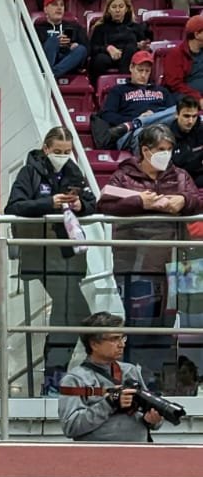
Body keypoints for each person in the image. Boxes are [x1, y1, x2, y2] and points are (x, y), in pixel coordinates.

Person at [97, 123, 202, 384]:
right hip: (134, 263)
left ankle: (156, 378)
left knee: (166, 324)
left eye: (169, 149)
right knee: (138, 322)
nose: (166, 154)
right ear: (145, 150)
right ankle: (133, 377)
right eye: (161, 149)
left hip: (174, 263)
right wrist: (139, 201)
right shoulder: (124, 175)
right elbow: (105, 203)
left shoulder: (180, 176)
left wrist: (183, 201)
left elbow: (197, 199)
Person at [5, 126, 98, 393]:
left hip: (70, 255)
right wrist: (49, 203)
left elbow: (92, 202)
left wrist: (80, 206)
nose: (62, 156)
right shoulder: (29, 172)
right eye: (58, 151)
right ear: (46, 149)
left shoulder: (74, 171)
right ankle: (73, 371)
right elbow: (14, 207)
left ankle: (56, 378)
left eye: (67, 151)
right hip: (42, 254)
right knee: (78, 312)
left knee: (66, 313)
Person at [58, 315, 164, 442]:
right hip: (99, 452)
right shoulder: (75, 379)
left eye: (123, 338)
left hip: (139, 450)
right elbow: (70, 426)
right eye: (114, 339)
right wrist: (109, 402)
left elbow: (149, 417)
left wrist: (153, 420)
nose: (122, 344)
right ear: (94, 344)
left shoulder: (130, 371)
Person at [95, 51, 178, 151]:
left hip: (160, 129)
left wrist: (153, 116)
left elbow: (173, 112)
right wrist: (135, 118)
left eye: (147, 71)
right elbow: (107, 115)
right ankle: (137, 123)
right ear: (131, 68)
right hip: (132, 132)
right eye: (140, 70)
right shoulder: (118, 90)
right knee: (144, 134)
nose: (143, 75)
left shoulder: (162, 91)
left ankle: (140, 122)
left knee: (179, 110)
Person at [87, 0, 151, 85]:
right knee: (99, 59)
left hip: (129, 58)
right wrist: (108, 48)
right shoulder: (100, 28)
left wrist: (141, 46)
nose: (117, 10)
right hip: (107, 58)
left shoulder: (136, 27)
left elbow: (143, 46)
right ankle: (98, 89)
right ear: (108, 10)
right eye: (114, 7)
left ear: (126, 9)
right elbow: (92, 49)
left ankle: (126, 85)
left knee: (131, 48)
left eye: (121, 7)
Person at [34, 0, 88, 79]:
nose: (59, 8)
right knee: (53, 40)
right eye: (54, 4)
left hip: (67, 61)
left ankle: (51, 75)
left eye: (62, 5)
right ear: (45, 9)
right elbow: (34, 50)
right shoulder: (38, 28)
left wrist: (73, 45)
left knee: (81, 49)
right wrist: (55, 42)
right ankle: (50, 73)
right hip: (47, 61)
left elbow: (87, 49)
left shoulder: (74, 27)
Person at [161, 15, 203, 101]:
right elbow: (175, 85)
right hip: (186, 96)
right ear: (197, 34)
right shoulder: (175, 54)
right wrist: (197, 98)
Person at [169, 94, 203, 186]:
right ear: (176, 115)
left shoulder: (201, 130)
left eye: (194, 116)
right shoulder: (167, 136)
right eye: (186, 116)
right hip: (180, 179)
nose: (191, 121)